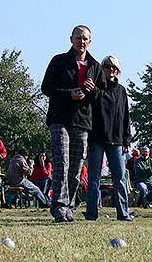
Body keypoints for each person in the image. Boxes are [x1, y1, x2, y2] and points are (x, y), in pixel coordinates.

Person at [41, 25, 106, 222]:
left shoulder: (95, 66)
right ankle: (59, 207)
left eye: (85, 38)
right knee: (61, 161)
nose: (81, 41)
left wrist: (92, 90)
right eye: (78, 38)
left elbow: (102, 97)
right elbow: (46, 88)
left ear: (90, 41)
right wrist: (69, 94)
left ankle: (69, 205)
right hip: (60, 119)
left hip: (82, 122)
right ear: (71, 39)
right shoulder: (59, 61)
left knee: (76, 167)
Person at [84, 55, 132, 221]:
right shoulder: (96, 89)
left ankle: (123, 213)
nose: (110, 70)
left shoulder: (122, 91)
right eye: (107, 66)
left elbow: (126, 116)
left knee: (119, 179)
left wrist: (127, 139)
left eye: (113, 67)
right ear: (102, 69)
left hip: (117, 140)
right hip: (97, 139)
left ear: (118, 70)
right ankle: (91, 213)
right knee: (94, 178)